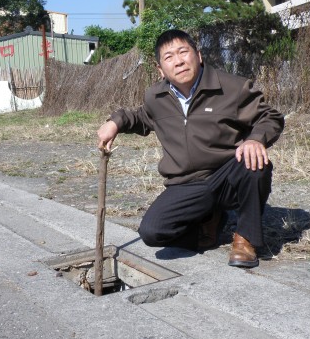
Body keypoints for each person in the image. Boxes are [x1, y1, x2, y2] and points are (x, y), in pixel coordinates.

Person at [97, 29, 284, 268]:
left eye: (183, 52)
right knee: (152, 233)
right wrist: (116, 122)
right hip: (186, 184)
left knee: (255, 163)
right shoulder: (156, 97)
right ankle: (208, 223)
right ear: (160, 69)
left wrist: (256, 138)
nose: (178, 61)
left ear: (198, 55)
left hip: (227, 175)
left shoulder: (231, 87)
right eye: (169, 57)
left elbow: (270, 116)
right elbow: (141, 117)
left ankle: (245, 237)